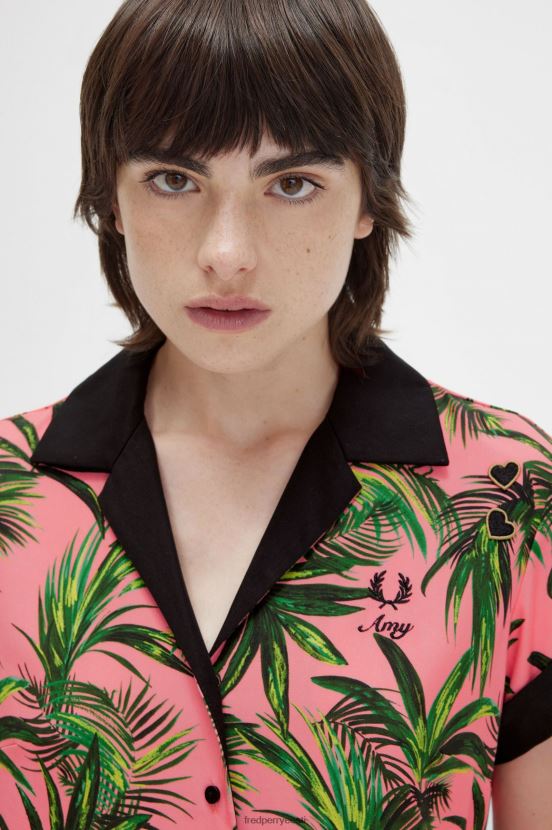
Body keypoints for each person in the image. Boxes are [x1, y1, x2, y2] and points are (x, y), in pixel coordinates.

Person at [0, 0, 550, 827]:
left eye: (292, 184)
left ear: (368, 200)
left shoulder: (507, 494)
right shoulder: (11, 495)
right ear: (110, 196)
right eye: (174, 180)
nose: (227, 254)